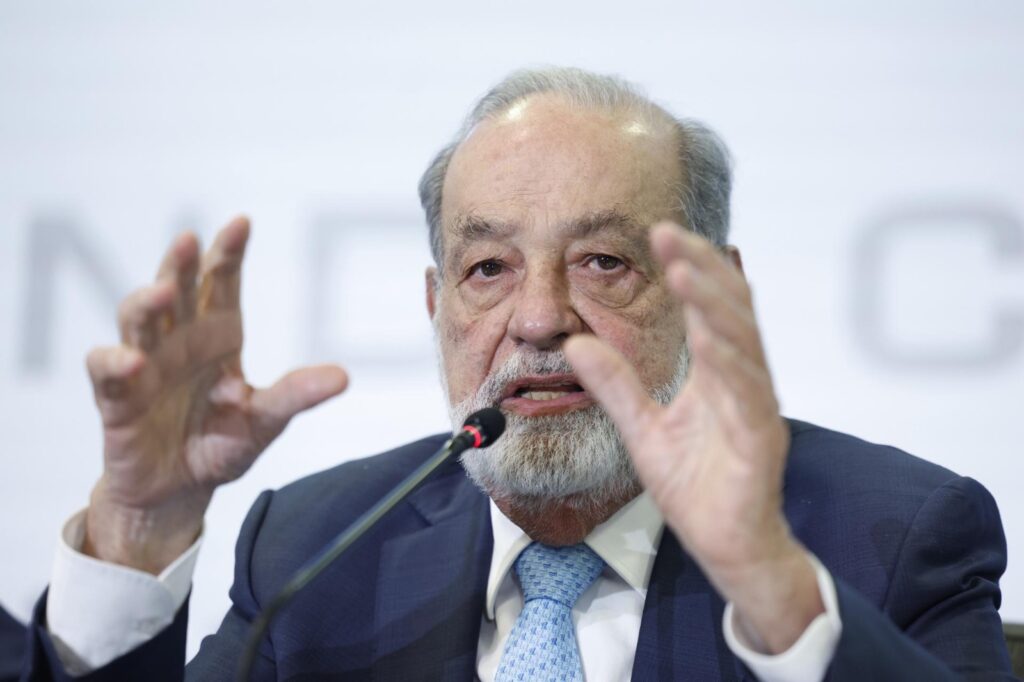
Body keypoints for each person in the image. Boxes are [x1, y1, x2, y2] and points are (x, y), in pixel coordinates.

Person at [21, 67, 1013, 680]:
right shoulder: (317, 553)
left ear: (714, 296)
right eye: (488, 268)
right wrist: (140, 525)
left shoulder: (895, 536)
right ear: (437, 304)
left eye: (603, 262)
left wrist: (775, 591)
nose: (537, 319)